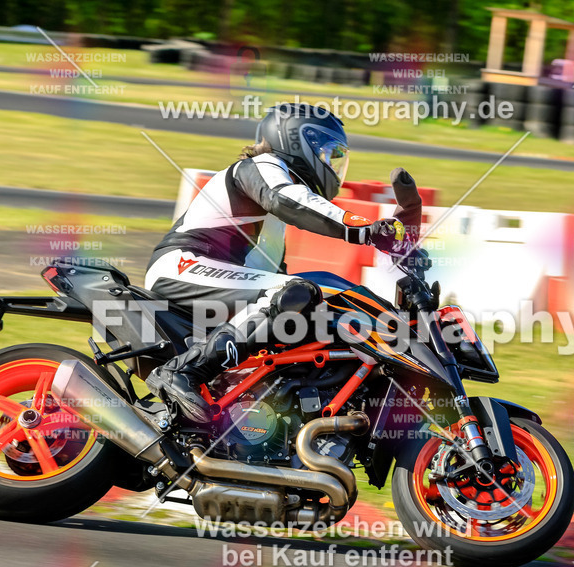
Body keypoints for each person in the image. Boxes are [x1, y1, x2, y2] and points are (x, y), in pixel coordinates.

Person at [144, 102, 417, 423]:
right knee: (294, 291)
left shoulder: (272, 222)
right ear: (296, 141)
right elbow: (287, 199)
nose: (332, 166)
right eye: (328, 153)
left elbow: (281, 280)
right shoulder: (260, 167)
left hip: (218, 279)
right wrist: (365, 228)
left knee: (323, 296)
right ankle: (180, 371)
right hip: (182, 266)